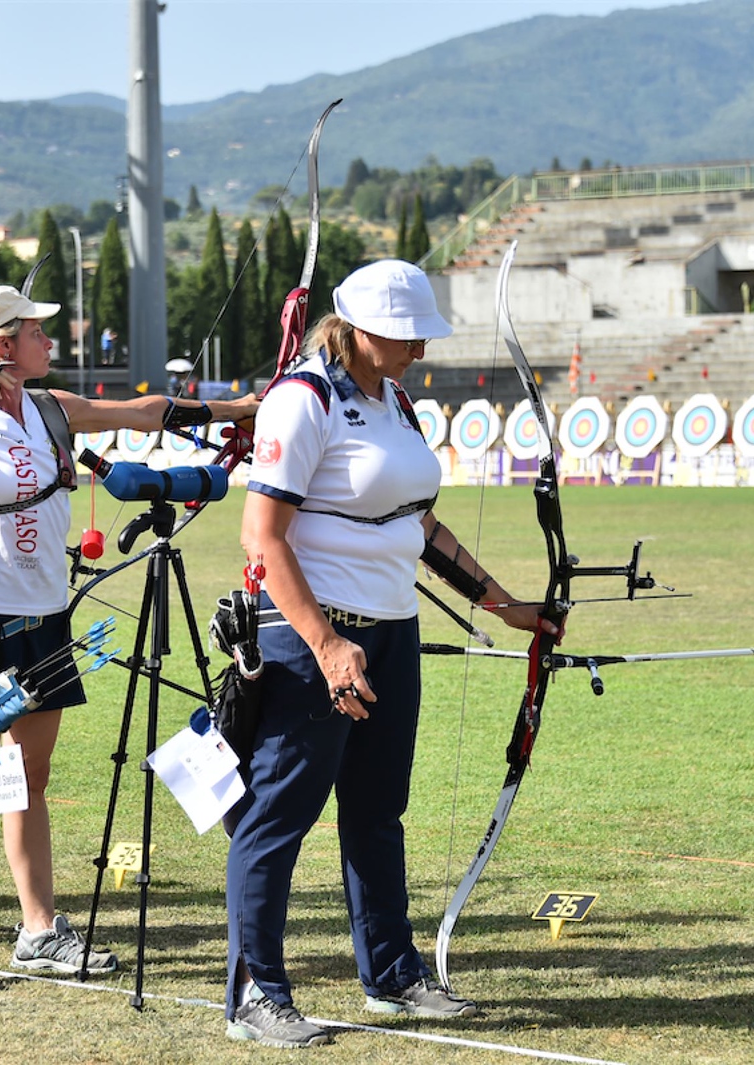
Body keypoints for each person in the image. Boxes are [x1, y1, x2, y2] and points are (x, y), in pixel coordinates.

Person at [0, 285, 260, 992]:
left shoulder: (48, 408)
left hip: (46, 617)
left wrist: (239, 412)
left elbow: (141, 411)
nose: (50, 341)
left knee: (27, 777)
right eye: (35, 332)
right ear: (1, 345)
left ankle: (39, 929)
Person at [223, 260, 558, 1047]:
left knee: (378, 810)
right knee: (279, 814)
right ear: (362, 330)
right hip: (313, 639)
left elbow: (422, 525)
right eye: (408, 335)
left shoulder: (394, 399)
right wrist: (328, 643)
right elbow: (261, 535)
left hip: (390, 630)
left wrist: (505, 605)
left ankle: (392, 973)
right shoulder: (302, 399)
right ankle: (253, 994)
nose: (420, 348)